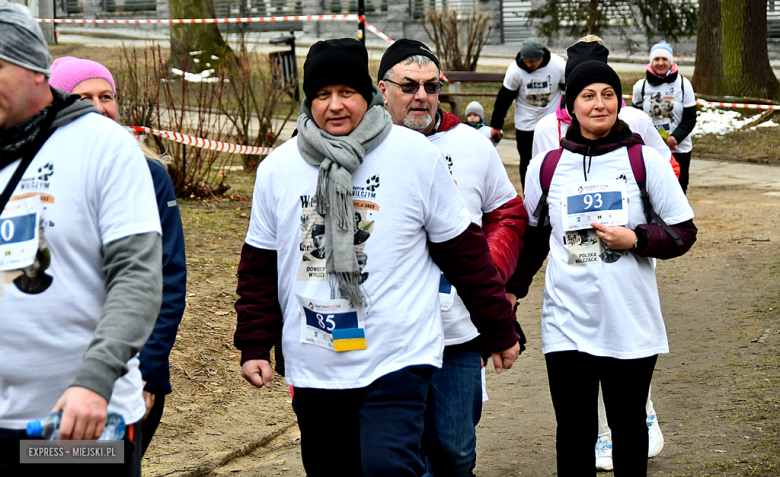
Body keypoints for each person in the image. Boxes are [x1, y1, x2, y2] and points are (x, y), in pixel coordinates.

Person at [234, 38, 521, 477]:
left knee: (388, 465)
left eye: (346, 93)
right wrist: (254, 342)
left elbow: (464, 254)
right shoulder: (278, 168)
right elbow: (259, 266)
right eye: (322, 95)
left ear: (368, 95)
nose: (334, 106)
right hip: (317, 354)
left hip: (396, 352)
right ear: (308, 100)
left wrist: (498, 328)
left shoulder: (413, 156)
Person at [506, 60, 697, 476]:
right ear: (569, 106)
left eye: (608, 95)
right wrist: (511, 292)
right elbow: (535, 239)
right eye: (587, 96)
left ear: (620, 102)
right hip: (567, 321)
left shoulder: (643, 161)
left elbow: (684, 232)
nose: (599, 104)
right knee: (574, 432)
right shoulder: (547, 167)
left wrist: (638, 239)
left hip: (629, 319)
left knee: (628, 428)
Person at [0, 3, 162, 476]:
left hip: (77, 421)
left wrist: (95, 381)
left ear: (34, 70)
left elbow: (138, 275)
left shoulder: (102, 146)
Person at [377, 39, 527, 477]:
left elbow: (508, 212)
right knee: (398, 451)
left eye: (430, 86)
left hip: (457, 329)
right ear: (382, 89)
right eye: (408, 86)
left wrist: (490, 271)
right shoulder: (364, 148)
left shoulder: (472, 145)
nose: (420, 96)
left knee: (455, 450)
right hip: (390, 330)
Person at [48, 56, 187, 457]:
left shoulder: (148, 173)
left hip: (126, 375)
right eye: (82, 96)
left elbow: (166, 278)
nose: (98, 106)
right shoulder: (33, 175)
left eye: (106, 96)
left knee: (98, 463)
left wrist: (145, 375)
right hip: (49, 376)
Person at [490, 36, 565, 188]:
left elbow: (569, 92)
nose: (530, 65)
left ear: (542, 57)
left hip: (552, 121)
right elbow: (504, 99)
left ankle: (554, 191)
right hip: (526, 124)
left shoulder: (558, 65)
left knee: (554, 159)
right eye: (527, 61)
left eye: (534, 61)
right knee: (527, 162)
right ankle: (528, 195)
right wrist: (496, 125)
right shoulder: (515, 70)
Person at [632, 41, 697, 194]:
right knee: (654, 190)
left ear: (671, 62)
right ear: (651, 62)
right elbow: (636, 119)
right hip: (651, 148)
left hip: (679, 149)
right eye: (656, 59)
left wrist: (675, 138)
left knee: (678, 190)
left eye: (664, 59)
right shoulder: (640, 87)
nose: (660, 63)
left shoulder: (683, 84)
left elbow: (690, 117)